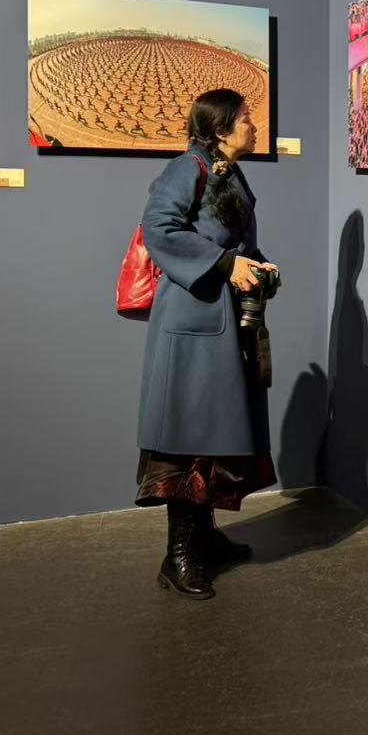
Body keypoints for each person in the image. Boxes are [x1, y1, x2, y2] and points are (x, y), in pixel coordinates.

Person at [135, 88, 279, 599]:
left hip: (219, 320)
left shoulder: (229, 171)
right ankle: (178, 557)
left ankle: (205, 538)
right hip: (192, 321)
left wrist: (255, 264)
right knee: (188, 438)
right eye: (246, 119)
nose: (254, 126)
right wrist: (224, 265)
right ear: (220, 130)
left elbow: (230, 240)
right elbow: (159, 228)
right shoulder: (186, 168)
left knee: (213, 433)